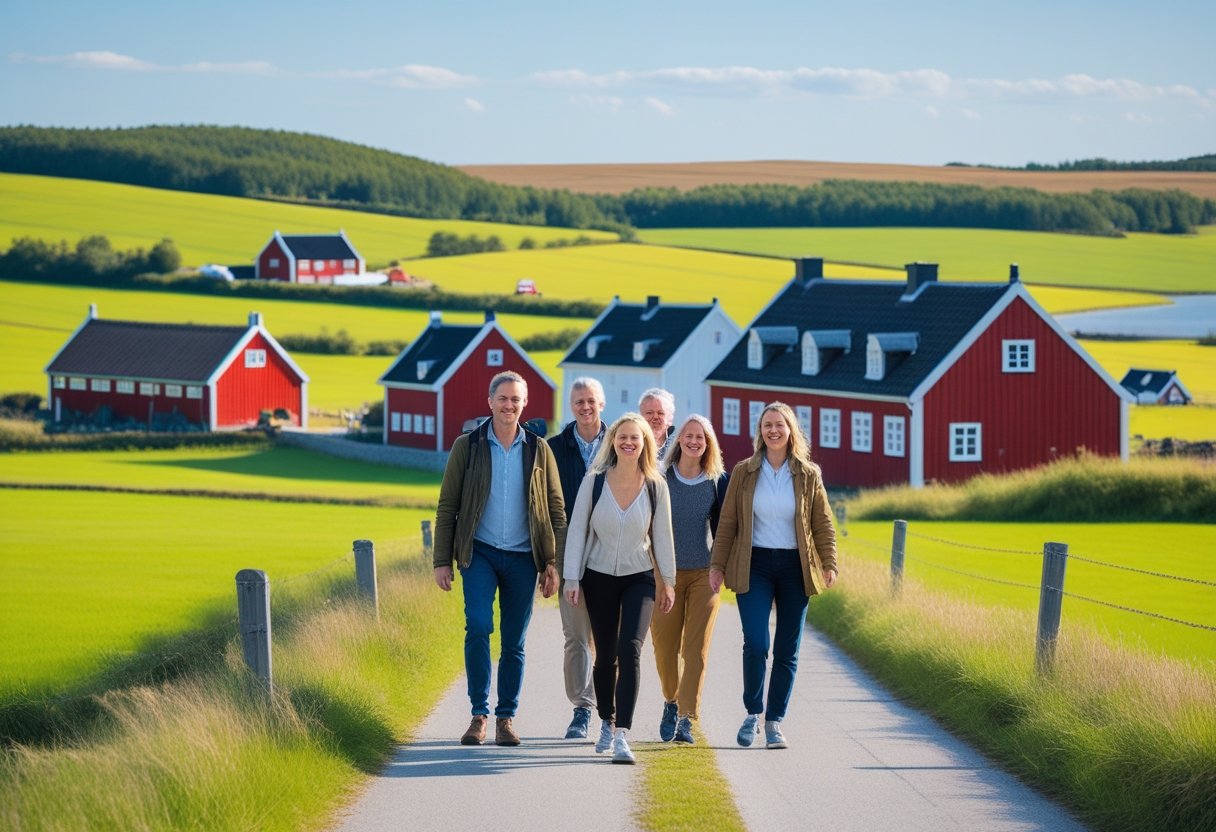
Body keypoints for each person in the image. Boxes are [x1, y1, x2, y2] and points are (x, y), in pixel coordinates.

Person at [433, 370, 565, 747]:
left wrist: (552, 562)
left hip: (525, 558)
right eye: (503, 398)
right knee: (477, 626)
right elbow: (448, 506)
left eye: (516, 399)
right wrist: (442, 560)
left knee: (514, 641)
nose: (509, 405)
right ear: (490, 402)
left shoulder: (539, 449)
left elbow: (556, 509)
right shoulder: (468, 446)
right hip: (480, 553)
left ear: (525, 404)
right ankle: (479, 714)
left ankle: (506, 717)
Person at [709, 401, 838, 750]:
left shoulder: (809, 474)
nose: (773, 430)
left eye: (779, 424)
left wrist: (830, 563)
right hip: (755, 565)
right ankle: (753, 713)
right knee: (756, 643)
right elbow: (728, 524)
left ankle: (774, 722)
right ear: (760, 432)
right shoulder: (744, 472)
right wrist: (717, 566)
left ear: (790, 430)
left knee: (786, 649)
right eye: (767, 425)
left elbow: (822, 522)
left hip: (796, 568)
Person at [563, 412, 676, 764]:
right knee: (606, 656)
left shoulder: (656, 485)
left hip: (639, 577)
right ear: (613, 440)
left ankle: (623, 735)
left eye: (635, 438)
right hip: (597, 577)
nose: (628, 443)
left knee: (630, 649)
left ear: (645, 444)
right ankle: (606, 723)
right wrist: (571, 578)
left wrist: (668, 582)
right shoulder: (594, 481)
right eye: (622, 437)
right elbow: (578, 529)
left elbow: (662, 537)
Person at [651, 414, 729, 745]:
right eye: (688, 435)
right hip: (664, 575)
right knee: (664, 647)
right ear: (678, 439)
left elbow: (726, 530)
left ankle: (687, 718)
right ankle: (671, 701)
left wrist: (720, 567)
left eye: (701, 436)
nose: (694, 441)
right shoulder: (660, 477)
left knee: (695, 650)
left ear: (708, 442)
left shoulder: (717, 480)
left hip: (704, 575)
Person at [546, 377, 607, 739]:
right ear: (572, 407)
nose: (585, 407)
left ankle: (603, 707)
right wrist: (549, 561)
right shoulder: (554, 448)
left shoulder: (621, 442)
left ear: (601, 403)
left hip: (612, 552)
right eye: (578, 402)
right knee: (576, 636)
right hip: (568, 552)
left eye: (590, 401)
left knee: (607, 636)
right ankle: (582, 708)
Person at [638, 388, 676, 459]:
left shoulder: (679, 445)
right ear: (640, 417)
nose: (655, 417)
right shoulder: (632, 444)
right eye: (649, 413)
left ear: (670, 418)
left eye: (660, 413)